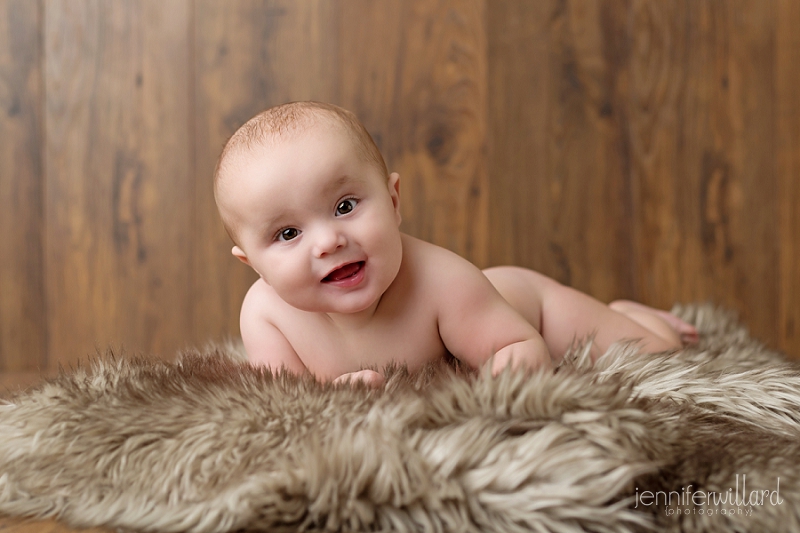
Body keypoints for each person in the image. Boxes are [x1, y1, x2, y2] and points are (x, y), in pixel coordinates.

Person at [213, 101, 698, 385]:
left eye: (344, 207)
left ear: (394, 199)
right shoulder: (266, 316)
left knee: (660, 356)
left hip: (526, 308)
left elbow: (520, 347)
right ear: (251, 263)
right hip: (484, 312)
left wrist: (481, 406)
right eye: (288, 234)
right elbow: (287, 408)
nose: (327, 242)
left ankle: (634, 315)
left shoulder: (443, 281)